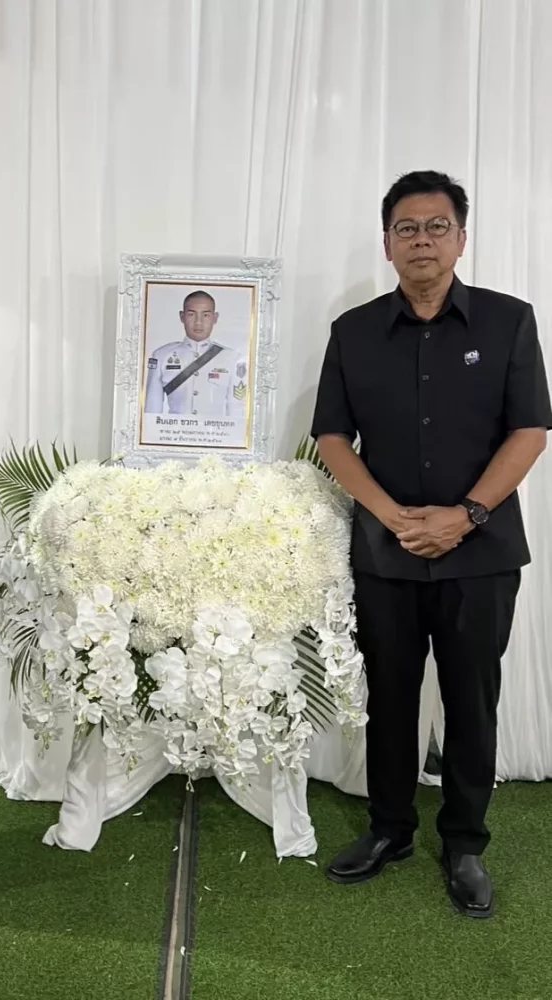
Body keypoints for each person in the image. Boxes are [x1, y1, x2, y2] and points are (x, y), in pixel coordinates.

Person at [311, 170, 551, 919]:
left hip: (481, 552)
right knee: (389, 695)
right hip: (386, 553)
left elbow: (530, 431)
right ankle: (390, 830)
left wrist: (465, 515)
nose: (422, 240)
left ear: (461, 238)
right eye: (407, 228)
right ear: (387, 244)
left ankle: (466, 843)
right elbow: (332, 438)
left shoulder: (509, 322)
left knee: (472, 698)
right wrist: (393, 517)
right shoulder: (353, 332)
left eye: (437, 226)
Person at [144, 290, 248, 417]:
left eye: (206, 315)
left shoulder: (232, 359)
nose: (198, 322)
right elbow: (151, 411)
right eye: (191, 315)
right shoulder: (161, 356)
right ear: (182, 316)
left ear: (215, 318)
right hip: (174, 429)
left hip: (214, 429)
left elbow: (237, 411)